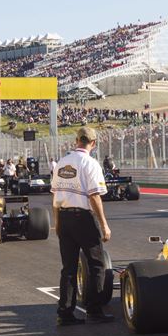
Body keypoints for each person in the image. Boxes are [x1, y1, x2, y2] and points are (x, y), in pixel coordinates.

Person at [51, 126, 113, 325]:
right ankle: (94, 310)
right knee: (97, 264)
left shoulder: (62, 163)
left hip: (64, 217)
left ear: (76, 141)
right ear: (93, 143)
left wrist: (57, 222)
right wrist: (104, 225)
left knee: (68, 268)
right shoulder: (90, 163)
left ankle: (65, 313)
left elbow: (55, 196)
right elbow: (94, 196)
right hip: (83, 217)